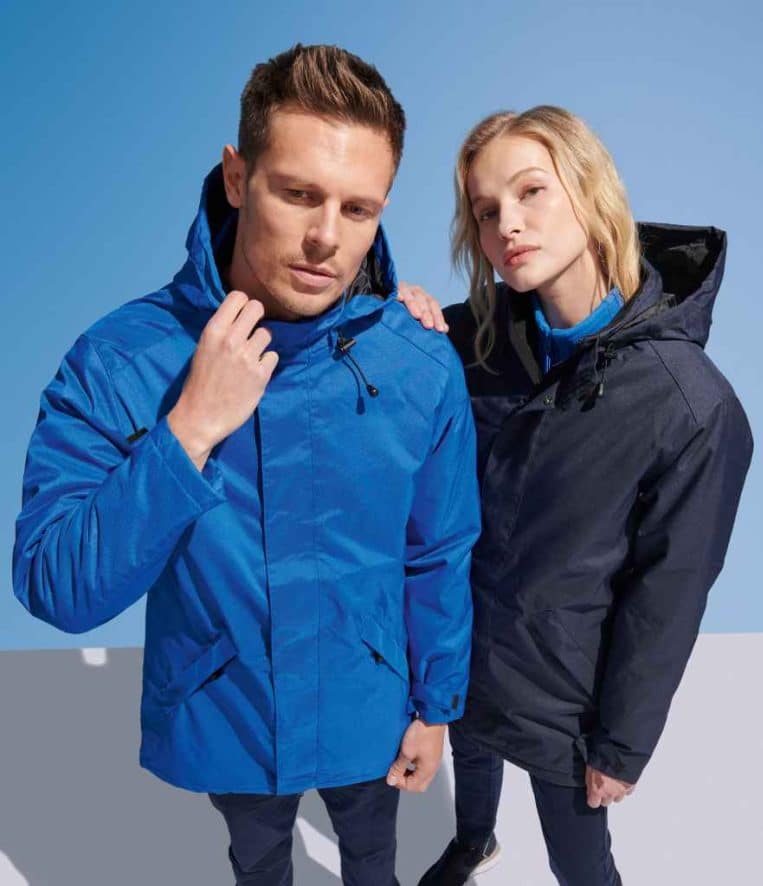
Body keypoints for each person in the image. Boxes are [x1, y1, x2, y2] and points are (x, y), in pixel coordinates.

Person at [12, 44, 481, 886]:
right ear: (237, 177)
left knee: (373, 860)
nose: (325, 238)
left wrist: (436, 705)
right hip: (225, 713)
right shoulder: (120, 361)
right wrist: (188, 429)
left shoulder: (417, 363)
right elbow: (57, 585)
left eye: (357, 208)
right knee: (259, 864)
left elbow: (438, 551)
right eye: (298, 193)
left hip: (368, 706)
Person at [397, 105, 753, 885]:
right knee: (471, 752)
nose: (506, 225)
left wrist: (621, 745)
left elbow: (668, 594)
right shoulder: (472, 341)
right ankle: (472, 843)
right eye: (485, 210)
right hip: (465, 645)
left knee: (580, 865)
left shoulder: (691, 407)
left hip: (563, 693)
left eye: (530, 192)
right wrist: (396, 314)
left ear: (591, 193)